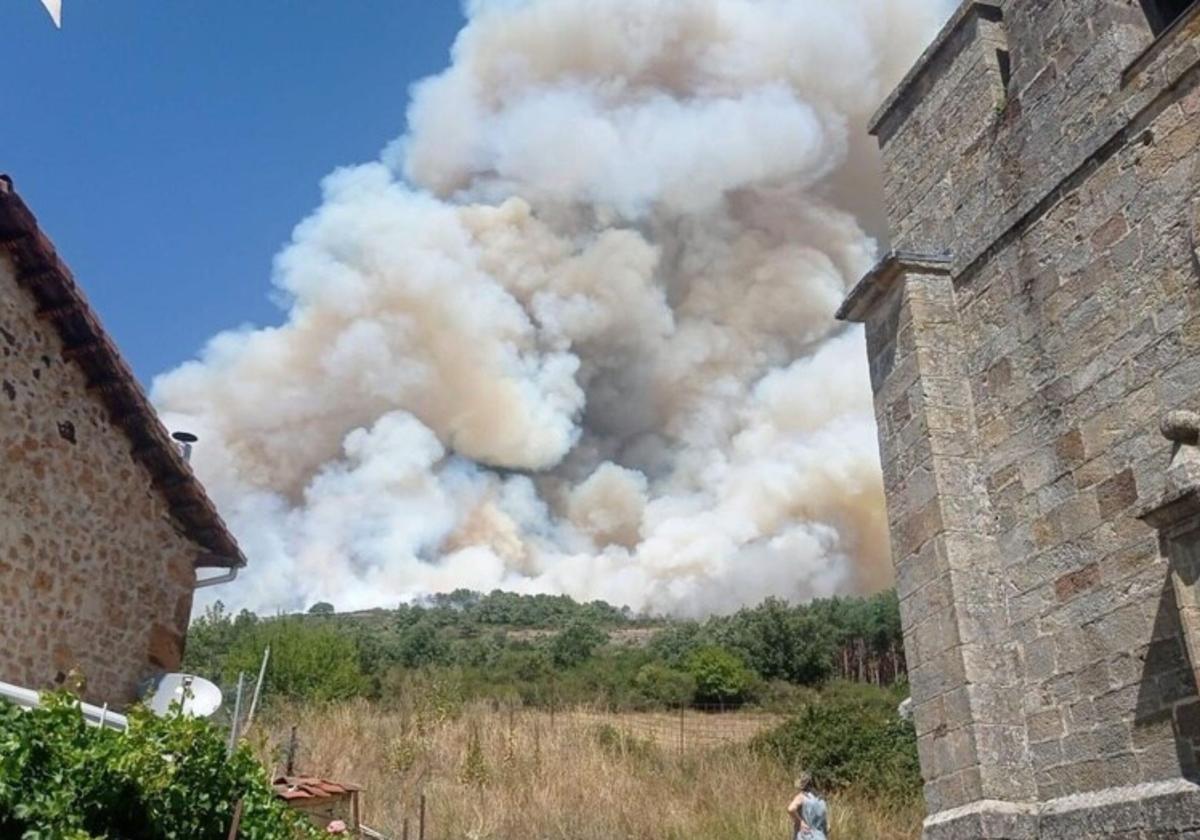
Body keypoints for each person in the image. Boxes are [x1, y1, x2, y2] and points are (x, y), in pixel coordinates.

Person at [787, 773, 828, 840]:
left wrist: (800, 822)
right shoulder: (822, 800)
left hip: (805, 835)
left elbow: (790, 809)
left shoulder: (802, 796)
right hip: (820, 836)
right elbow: (827, 826)